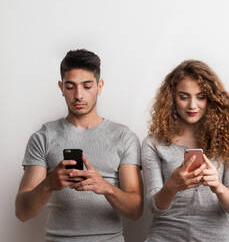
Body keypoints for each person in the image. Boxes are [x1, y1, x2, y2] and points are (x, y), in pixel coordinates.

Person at [15, 49, 143, 242]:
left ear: (99, 86)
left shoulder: (124, 137)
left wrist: (105, 187)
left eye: (87, 86)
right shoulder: (43, 137)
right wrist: (49, 184)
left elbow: (135, 211)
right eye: (70, 86)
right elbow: (22, 212)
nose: (78, 95)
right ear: (61, 87)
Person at [141, 60, 229, 241]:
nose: (192, 106)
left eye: (200, 96)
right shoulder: (154, 143)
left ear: (211, 99)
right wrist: (172, 186)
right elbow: (154, 206)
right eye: (184, 97)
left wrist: (218, 187)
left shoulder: (227, 140)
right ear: (172, 98)